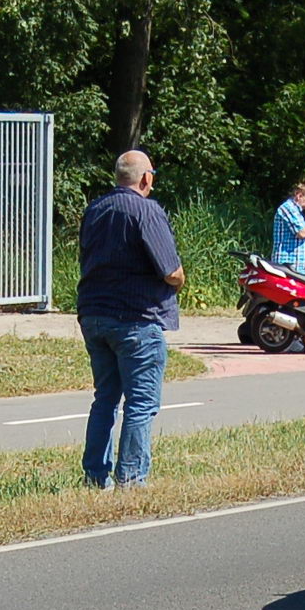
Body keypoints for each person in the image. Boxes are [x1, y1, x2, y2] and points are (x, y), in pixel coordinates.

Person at [76, 150, 184, 490]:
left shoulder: (95, 209)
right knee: (140, 403)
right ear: (145, 178)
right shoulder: (146, 210)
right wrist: (179, 280)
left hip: (94, 315)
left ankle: (95, 476)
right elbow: (170, 271)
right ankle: (132, 479)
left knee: (105, 397)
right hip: (136, 319)